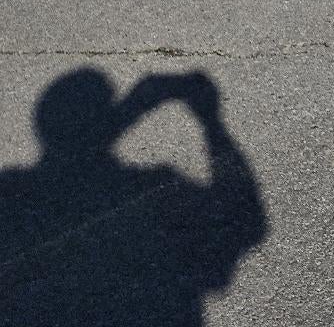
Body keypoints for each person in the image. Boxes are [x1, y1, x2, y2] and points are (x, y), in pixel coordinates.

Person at [0, 68, 267, 325]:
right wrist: (210, 119)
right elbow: (248, 219)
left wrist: (129, 110)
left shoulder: (12, 192)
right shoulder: (157, 191)